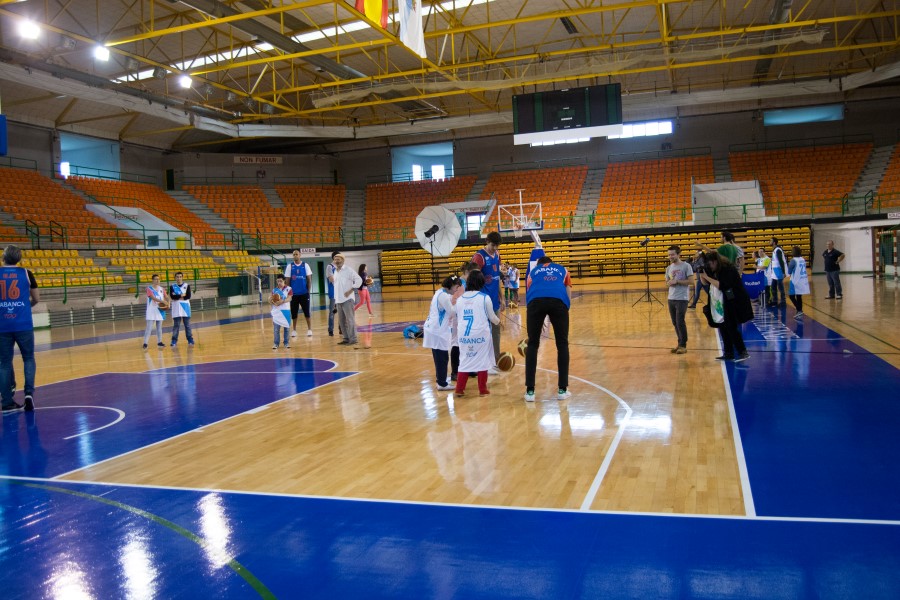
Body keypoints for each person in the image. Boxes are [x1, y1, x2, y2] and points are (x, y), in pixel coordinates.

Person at [523, 256, 573, 402]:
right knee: (562, 344)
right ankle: (562, 390)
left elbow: (529, 291)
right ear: (551, 263)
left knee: (532, 344)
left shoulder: (533, 272)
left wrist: (537, 315)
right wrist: (565, 308)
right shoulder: (562, 269)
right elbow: (568, 288)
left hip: (535, 302)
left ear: (539, 264)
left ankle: (530, 392)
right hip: (559, 302)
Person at [0, 245, 39, 412]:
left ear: (3, 257)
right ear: (19, 258)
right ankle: (28, 394)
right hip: (23, 323)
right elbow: (36, 298)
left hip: (2, 325)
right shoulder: (26, 273)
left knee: (4, 363)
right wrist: (25, 306)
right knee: (28, 358)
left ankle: (6, 402)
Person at [698, 252, 753, 362]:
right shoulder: (713, 268)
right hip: (720, 301)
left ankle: (743, 352)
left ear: (715, 261)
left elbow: (723, 285)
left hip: (733, 300)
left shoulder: (728, 269)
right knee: (722, 327)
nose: (709, 266)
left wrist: (707, 277)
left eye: (710, 264)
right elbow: (705, 283)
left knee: (731, 327)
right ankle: (728, 353)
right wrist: (701, 274)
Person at [454, 271, 500, 397]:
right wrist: (499, 321)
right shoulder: (485, 298)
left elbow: (458, 316)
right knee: (482, 361)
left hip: (464, 335)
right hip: (480, 334)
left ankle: (459, 389)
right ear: (481, 282)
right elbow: (492, 317)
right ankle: (482, 389)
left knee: (464, 360)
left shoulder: (460, 299)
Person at [423, 275, 462, 391]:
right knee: (442, 357)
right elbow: (452, 312)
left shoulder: (440, 292)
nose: (457, 290)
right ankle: (442, 383)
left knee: (439, 357)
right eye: (456, 287)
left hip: (434, 329)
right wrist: (462, 305)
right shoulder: (443, 296)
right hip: (438, 330)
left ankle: (440, 381)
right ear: (451, 285)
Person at [471, 231, 502, 369]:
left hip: (495, 300)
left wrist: (502, 296)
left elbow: (497, 278)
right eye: (493, 245)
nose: (495, 248)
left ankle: (496, 359)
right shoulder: (479, 257)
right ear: (487, 242)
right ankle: (482, 360)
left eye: (497, 246)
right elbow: (473, 279)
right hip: (482, 301)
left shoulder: (498, 255)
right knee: (482, 332)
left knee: (496, 330)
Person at [450, 262, 479, 381]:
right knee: (456, 343)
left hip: (467, 316)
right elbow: (454, 301)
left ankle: (468, 367)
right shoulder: (458, 284)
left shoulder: (468, 283)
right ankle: (455, 372)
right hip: (458, 317)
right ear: (467, 272)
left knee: (467, 342)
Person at [665, 246, 694, 355]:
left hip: (682, 298)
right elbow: (667, 282)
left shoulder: (686, 266)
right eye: (669, 255)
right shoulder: (668, 268)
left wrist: (677, 281)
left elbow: (691, 281)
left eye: (672, 254)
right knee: (675, 322)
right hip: (671, 298)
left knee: (680, 321)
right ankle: (679, 343)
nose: (670, 256)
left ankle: (683, 345)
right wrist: (669, 283)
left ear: (678, 254)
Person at [333, 253, 363, 347]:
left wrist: (351, 290)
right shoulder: (335, 271)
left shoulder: (348, 270)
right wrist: (335, 300)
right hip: (338, 300)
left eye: (338, 259)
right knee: (342, 322)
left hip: (348, 300)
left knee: (350, 320)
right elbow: (336, 286)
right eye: (335, 259)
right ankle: (346, 339)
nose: (337, 261)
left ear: (343, 260)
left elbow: (359, 280)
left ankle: (353, 339)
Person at [284, 249, 313, 338]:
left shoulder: (305, 265)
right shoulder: (290, 266)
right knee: (294, 313)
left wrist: (308, 291)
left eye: (296, 254)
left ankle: (309, 329)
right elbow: (287, 281)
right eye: (294, 254)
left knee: (307, 312)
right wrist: (288, 293)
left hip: (304, 293)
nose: (295, 256)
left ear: (300, 255)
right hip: (294, 295)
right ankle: (294, 330)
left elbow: (309, 279)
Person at [169, 271, 195, 347]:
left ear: (182, 277)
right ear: (175, 278)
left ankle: (190, 339)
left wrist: (177, 296)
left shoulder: (187, 286)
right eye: (177, 277)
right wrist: (181, 295)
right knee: (176, 325)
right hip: (176, 308)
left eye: (180, 277)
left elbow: (188, 296)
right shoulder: (172, 286)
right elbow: (172, 297)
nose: (179, 278)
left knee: (187, 325)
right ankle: (174, 340)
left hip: (185, 308)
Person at [143, 274, 168, 350]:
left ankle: (159, 342)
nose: (157, 280)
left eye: (158, 279)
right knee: (149, 328)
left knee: (159, 327)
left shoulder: (162, 289)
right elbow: (153, 297)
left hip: (160, 310)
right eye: (156, 279)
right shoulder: (149, 289)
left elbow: (166, 297)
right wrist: (162, 301)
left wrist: (168, 303)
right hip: (151, 310)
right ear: (152, 280)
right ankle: (145, 343)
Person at [787, 245, 810, 319]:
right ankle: (799, 311)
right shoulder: (802, 259)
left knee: (791, 296)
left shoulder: (793, 260)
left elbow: (789, 271)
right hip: (802, 280)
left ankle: (799, 310)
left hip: (795, 280)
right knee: (799, 296)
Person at [270, 275, 292, 349]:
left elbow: (289, 298)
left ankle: (286, 343)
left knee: (287, 328)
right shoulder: (274, 290)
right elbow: (271, 300)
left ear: (284, 281)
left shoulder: (289, 289)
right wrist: (271, 301)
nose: (279, 283)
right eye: (278, 281)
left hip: (286, 311)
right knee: (276, 329)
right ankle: (276, 343)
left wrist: (282, 301)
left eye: (280, 281)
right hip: (277, 311)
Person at [770, 237, 788, 307]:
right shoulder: (775, 249)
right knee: (773, 287)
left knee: (780, 287)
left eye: (770, 241)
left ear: (774, 242)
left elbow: (781, 261)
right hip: (775, 272)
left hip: (779, 271)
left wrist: (783, 272)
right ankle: (775, 301)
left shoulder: (778, 250)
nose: (769, 242)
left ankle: (783, 302)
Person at [326, 251, 338, 336]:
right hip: (333, 292)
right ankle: (330, 329)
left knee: (341, 312)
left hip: (341, 293)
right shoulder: (329, 267)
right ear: (334, 257)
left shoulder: (341, 267)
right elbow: (331, 279)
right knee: (332, 312)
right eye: (338, 257)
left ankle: (341, 328)